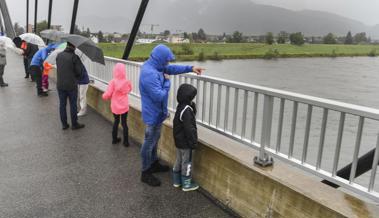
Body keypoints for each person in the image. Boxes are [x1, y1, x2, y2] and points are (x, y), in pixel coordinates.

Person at [139, 44, 204, 187]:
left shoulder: (157, 66)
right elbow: (159, 96)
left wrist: (190, 68)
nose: (168, 63)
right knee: (149, 142)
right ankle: (145, 172)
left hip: (158, 113)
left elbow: (172, 69)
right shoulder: (149, 73)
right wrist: (167, 82)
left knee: (155, 139)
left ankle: (154, 163)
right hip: (152, 114)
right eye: (166, 61)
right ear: (160, 59)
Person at [172, 84, 199, 191]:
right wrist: (193, 143)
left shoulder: (181, 106)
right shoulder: (187, 110)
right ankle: (186, 184)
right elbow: (190, 128)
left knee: (179, 160)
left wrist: (192, 106)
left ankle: (176, 181)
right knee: (186, 162)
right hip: (185, 143)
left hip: (178, 141)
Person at [56, 42, 85, 130]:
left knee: (62, 105)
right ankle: (74, 124)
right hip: (71, 85)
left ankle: (64, 124)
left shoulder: (59, 55)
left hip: (60, 84)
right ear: (74, 46)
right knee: (73, 105)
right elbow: (79, 72)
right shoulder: (74, 57)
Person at [102, 63, 132, 146]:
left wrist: (104, 96)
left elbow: (108, 94)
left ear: (115, 71)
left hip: (115, 106)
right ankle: (126, 142)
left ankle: (114, 139)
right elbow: (129, 89)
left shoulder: (113, 82)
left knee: (116, 121)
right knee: (124, 123)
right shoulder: (127, 81)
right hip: (124, 106)